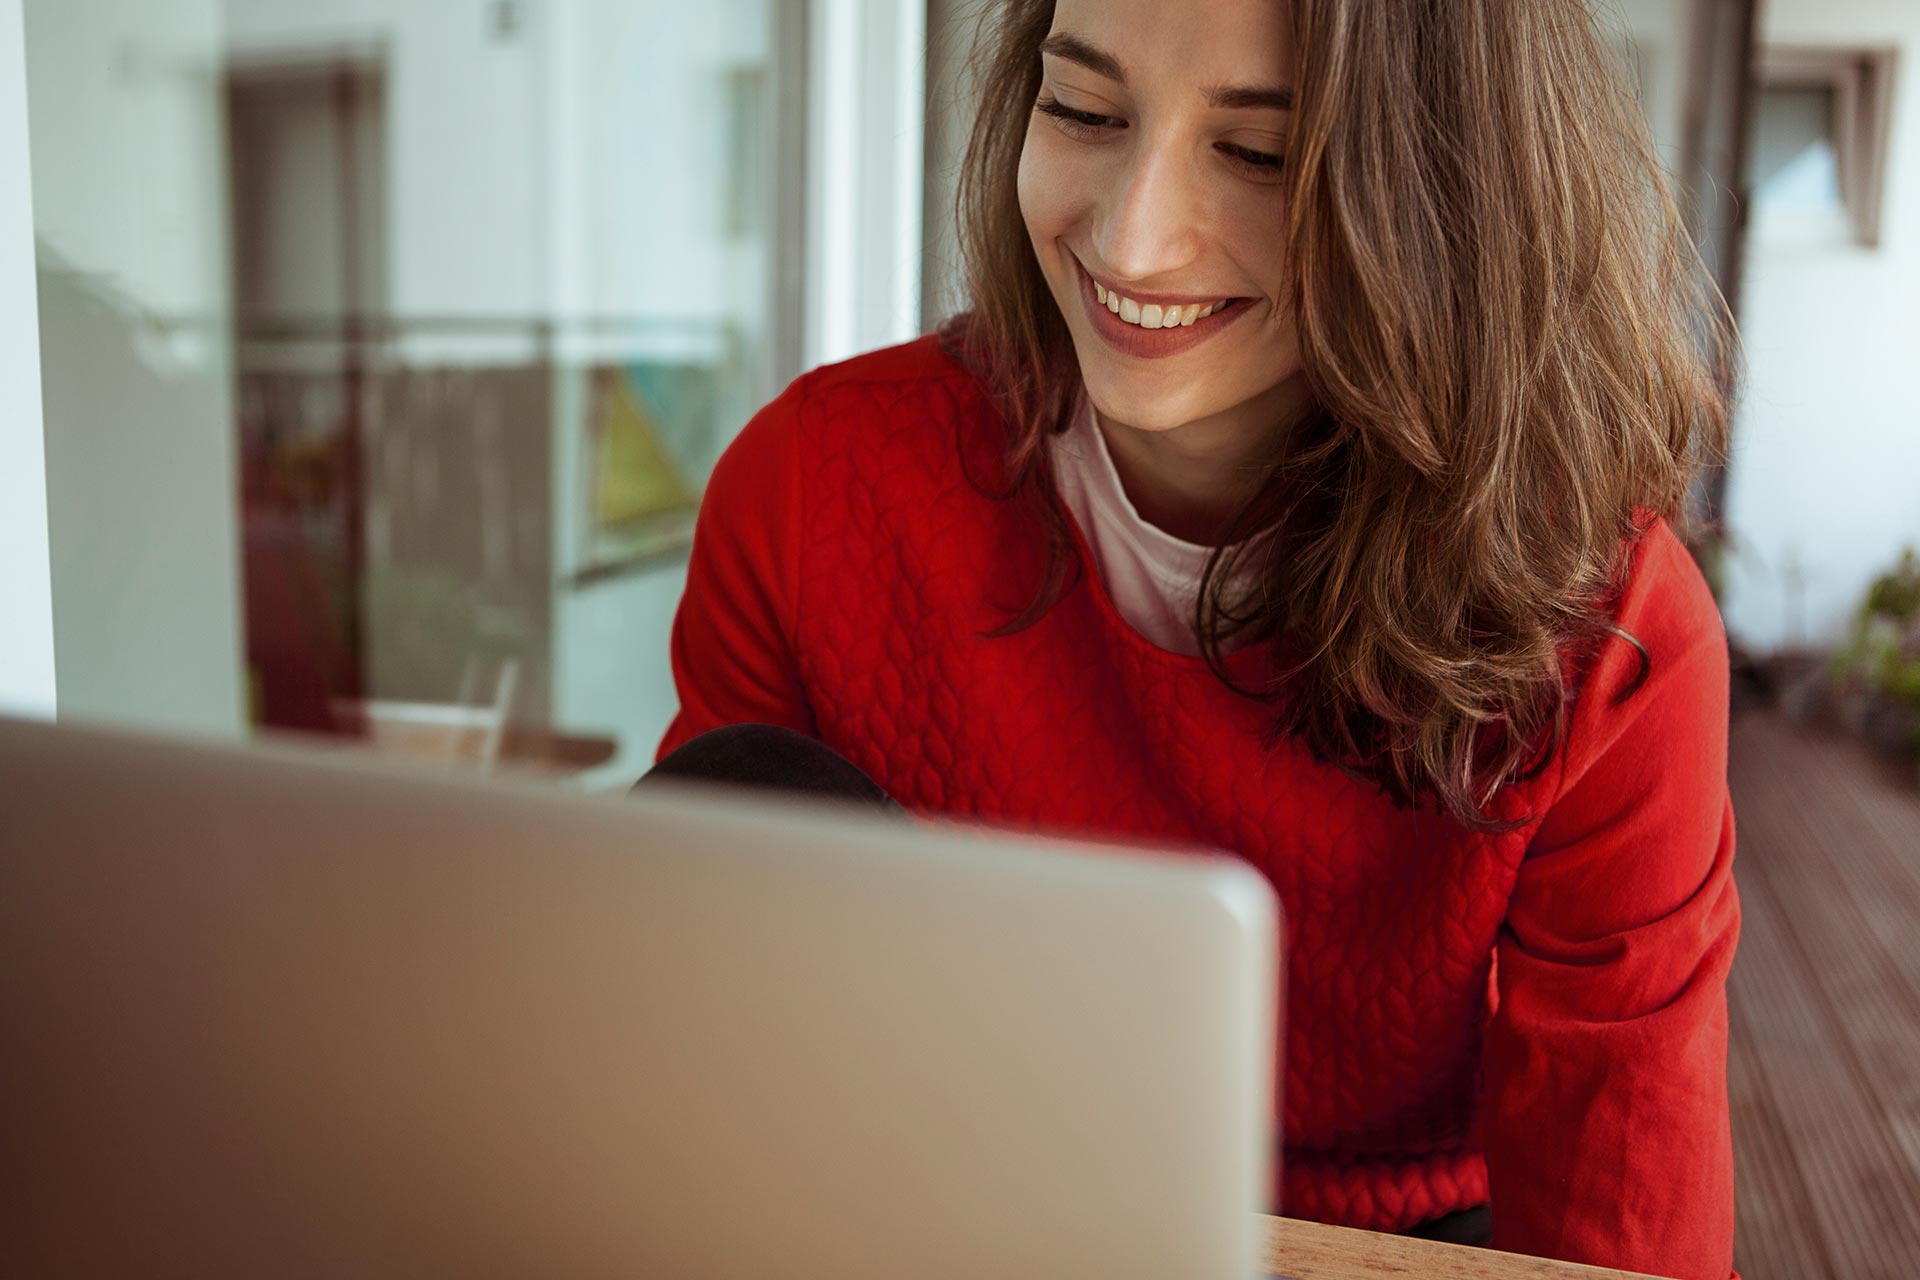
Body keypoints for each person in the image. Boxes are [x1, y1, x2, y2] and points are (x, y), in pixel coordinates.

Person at [645, 1, 1741, 1276]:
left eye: (1262, 154)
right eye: (1085, 111)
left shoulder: (1611, 636)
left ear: (1445, 192)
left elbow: (1620, 1231)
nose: (1131, 235)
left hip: (1388, 1248)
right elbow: (695, 1059)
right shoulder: (804, 490)